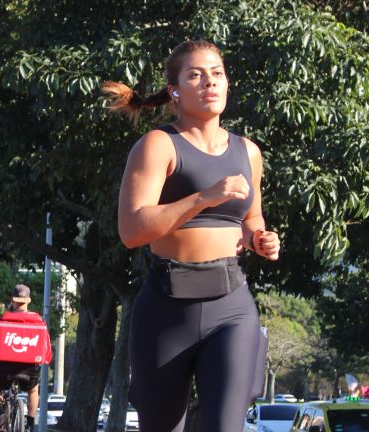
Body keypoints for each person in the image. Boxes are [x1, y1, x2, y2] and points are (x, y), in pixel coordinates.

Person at [103, 39, 281, 432]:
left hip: (231, 306)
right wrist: (204, 197)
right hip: (166, 308)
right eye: (196, 75)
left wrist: (260, 239)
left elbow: (252, 217)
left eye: (217, 74)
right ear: (175, 90)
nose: (209, 83)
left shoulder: (247, 151)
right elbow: (132, 230)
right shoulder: (158, 145)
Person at [0, 284, 52, 432]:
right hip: (29, 368)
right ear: (28, 301)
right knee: (33, 390)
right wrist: (46, 359)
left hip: (5, 366)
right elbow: (46, 347)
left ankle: (0, 415)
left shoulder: (3, 318)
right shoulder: (39, 320)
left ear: (13, 300)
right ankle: (30, 423)